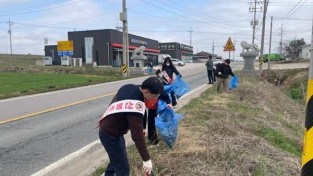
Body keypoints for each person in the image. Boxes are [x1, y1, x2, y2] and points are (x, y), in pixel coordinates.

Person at [98, 76, 164, 176]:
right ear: (146, 92)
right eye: (155, 95)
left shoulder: (131, 87)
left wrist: (143, 127)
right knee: (124, 169)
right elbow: (137, 137)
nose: (156, 98)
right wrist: (146, 159)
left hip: (111, 130)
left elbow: (142, 107)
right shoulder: (135, 105)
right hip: (110, 134)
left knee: (118, 156)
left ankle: (108, 174)